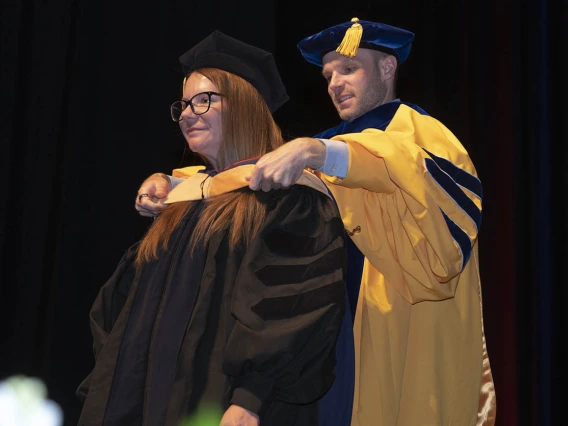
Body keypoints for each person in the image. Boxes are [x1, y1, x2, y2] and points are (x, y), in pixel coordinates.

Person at [136, 18, 497, 426]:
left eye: (348, 69)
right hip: (336, 337)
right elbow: (245, 173)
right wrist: (171, 180)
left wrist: (318, 151)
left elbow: (408, 175)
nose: (334, 83)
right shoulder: (323, 146)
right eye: (328, 75)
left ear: (387, 68)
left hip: (401, 327)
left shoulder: (421, 134)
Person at [77, 30, 348, 426]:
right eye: (184, 104)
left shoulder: (289, 200)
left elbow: (292, 306)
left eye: (203, 100)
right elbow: (117, 310)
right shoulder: (183, 203)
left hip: (229, 409)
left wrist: (250, 398)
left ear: (243, 105)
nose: (187, 113)